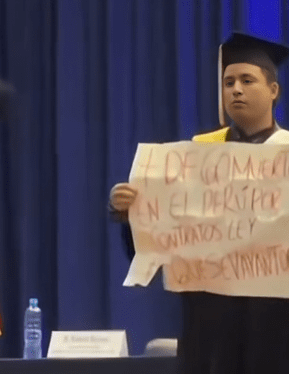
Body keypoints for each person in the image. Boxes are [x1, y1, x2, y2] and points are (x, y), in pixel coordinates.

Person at [109, 32, 289, 374]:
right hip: (210, 333)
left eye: (247, 80)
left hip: (277, 329)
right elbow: (161, 247)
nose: (235, 89)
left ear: (273, 90)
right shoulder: (193, 161)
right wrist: (130, 213)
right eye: (228, 81)